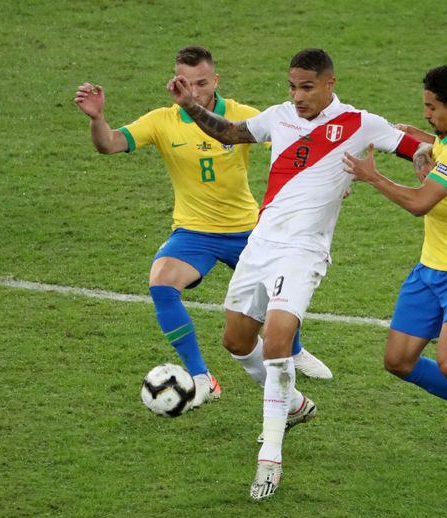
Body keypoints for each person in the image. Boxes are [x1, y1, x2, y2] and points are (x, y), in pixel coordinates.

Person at [168, 48, 431, 499]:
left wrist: (427, 153)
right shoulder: (279, 116)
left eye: (307, 87)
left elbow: (420, 149)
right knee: (235, 340)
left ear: (330, 83)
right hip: (260, 245)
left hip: (303, 251)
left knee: (276, 341)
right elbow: (229, 130)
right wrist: (190, 106)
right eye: (292, 86)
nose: (298, 96)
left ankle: (269, 459)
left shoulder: (360, 123)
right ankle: (292, 405)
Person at [74, 46, 332, 411]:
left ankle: (296, 351)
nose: (194, 92)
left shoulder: (242, 116)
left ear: (215, 80)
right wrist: (97, 119)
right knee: (162, 284)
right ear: (175, 81)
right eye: (186, 83)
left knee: (280, 293)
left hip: (248, 231)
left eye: (201, 83)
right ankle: (201, 378)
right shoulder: (163, 120)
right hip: (193, 233)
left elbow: (296, 144)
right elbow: (110, 144)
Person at [342, 64, 447, 480]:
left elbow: (420, 202)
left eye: (432, 108)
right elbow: (438, 143)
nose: (426, 115)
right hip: (430, 266)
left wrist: (373, 176)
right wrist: (422, 140)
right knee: (398, 361)